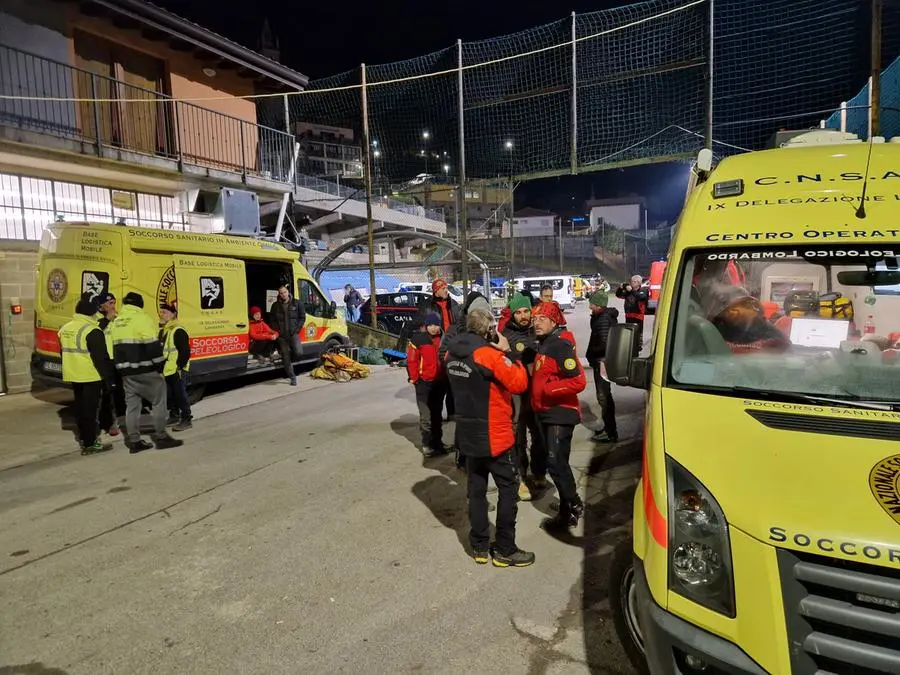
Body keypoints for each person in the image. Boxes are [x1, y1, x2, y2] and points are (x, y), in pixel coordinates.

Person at [446, 308, 534, 568]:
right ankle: (505, 548)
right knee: (508, 490)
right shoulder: (489, 355)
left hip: (468, 435)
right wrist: (508, 352)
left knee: (476, 492)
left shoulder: (451, 354)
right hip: (495, 435)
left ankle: (480, 546)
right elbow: (519, 383)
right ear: (489, 331)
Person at [530, 301, 587, 531]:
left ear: (554, 321)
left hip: (560, 413)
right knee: (557, 461)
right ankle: (567, 511)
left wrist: (547, 391)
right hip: (545, 412)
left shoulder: (559, 346)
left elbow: (579, 380)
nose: (536, 322)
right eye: (535, 319)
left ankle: (572, 504)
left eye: (541, 319)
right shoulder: (545, 344)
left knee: (554, 462)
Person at [107, 292, 183, 453]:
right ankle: (161, 438)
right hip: (146, 369)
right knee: (158, 402)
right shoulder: (143, 319)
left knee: (132, 407)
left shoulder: (117, 322)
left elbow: (112, 346)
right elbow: (152, 346)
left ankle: (134, 442)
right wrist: (160, 366)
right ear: (139, 304)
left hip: (126, 372)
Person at [502, 291, 547, 501]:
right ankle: (520, 477)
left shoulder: (538, 331)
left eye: (526, 311)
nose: (523, 316)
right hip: (516, 396)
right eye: (518, 312)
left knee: (539, 435)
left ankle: (538, 472)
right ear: (512, 315)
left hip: (536, 394)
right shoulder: (506, 336)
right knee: (517, 439)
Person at [58, 293, 117, 455]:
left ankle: (85, 438)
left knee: (81, 409)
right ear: (92, 312)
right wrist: (109, 380)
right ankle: (90, 444)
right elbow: (101, 359)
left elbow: (62, 352)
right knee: (90, 411)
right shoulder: (92, 331)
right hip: (90, 376)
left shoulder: (65, 328)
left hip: (73, 375)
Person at [406, 312, 451, 458]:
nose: (433, 328)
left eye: (436, 325)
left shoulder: (444, 339)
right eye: (431, 325)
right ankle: (427, 445)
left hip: (439, 382)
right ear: (426, 325)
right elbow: (412, 360)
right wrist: (414, 379)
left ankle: (438, 443)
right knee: (426, 416)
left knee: (437, 415)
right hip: (424, 383)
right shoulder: (418, 339)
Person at [585, 291, 619, 443]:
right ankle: (608, 428)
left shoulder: (603, 319)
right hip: (601, 361)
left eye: (591, 303)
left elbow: (605, 344)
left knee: (604, 397)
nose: (589, 306)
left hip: (602, 362)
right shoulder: (600, 316)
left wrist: (592, 352)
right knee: (604, 397)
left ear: (598, 304)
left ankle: (611, 432)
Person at [159, 303, 192, 431]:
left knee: (180, 395)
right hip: (168, 369)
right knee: (170, 395)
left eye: (165, 312)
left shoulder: (178, 330)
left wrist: (180, 367)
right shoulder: (165, 330)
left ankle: (186, 418)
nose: (162, 314)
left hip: (177, 370)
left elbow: (185, 351)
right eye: (161, 312)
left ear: (173, 314)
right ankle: (174, 415)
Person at [96, 291, 124, 437]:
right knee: (107, 394)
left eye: (114, 302)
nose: (113, 306)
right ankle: (107, 423)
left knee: (120, 392)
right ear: (101, 307)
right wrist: (107, 319)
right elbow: (96, 331)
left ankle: (119, 420)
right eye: (109, 303)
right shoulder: (98, 320)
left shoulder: (119, 319)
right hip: (106, 361)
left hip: (118, 360)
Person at [269, 284, 306, 386]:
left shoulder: (297, 303)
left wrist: (297, 329)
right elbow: (272, 320)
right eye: (281, 293)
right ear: (279, 294)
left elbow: (302, 317)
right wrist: (277, 331)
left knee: (299, 352)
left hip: (293, 333)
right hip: (282, 336)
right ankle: (292, 378)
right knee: (286, 358)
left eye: (284, 292)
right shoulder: (275, 306)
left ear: (288, 292)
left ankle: (289, 358)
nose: (283, 294)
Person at [616, 275, 648, 355]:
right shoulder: (628, 292)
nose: (632, 283)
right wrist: (620, 288)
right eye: (631, 281)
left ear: (638, 283)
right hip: (628, 315)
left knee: (637, 335)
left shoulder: (643, 290)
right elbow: (618, 295)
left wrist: (631, 291)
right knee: (629, 334)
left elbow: (641, 297)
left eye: (634, 282)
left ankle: (637, 350)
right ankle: (630, 350)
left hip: (638, 317)